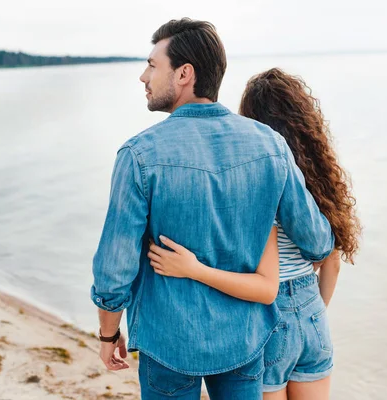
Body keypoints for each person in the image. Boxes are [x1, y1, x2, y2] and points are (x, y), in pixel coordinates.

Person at [90, 19, 334, 400]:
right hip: (245, 341)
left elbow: (114, 268)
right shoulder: (270, 145)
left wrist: (108, 332)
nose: (143, 76)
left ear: (184, 73)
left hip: (168, 342)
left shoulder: (139, 154)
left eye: (153, 65)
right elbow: (318, 242)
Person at [148, 68, 361, 400]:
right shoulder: (320, 184)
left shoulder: (258, 178)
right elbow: (330, 258)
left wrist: (193, 268)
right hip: (313, 314)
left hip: (268, 318)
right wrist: (313, 313)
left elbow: (264, 283)